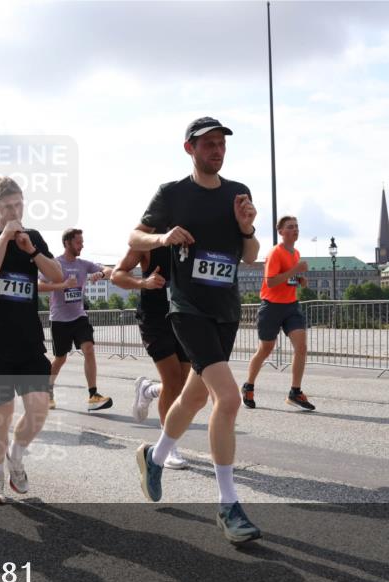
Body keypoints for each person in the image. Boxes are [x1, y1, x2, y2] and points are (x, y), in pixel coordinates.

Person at [129, 116, 262, 543]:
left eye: (221, 143)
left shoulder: (237, 194)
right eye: (208, 144)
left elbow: (251, 255)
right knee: (227, 398)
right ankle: (227, 504)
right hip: (186, 308)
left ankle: (155, 456)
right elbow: (134, 237)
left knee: (196, 395)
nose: (217, 150)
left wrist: (247, 228)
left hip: (226, 309)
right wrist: (163, 238)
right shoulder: (172, 194)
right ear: (190, 149)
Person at [0, 177, 63, 504]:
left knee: (38, 410)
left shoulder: (32, 237)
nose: (15, 211)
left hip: (28, 341)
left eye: (19, 204)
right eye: (8, 206)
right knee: (3, 414)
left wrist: (31, 250)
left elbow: (56, 275)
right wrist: (4, 238)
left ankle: (16, 455)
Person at [111, 241, 190, 470]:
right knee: (173, 380)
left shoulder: (191, 237)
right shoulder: (147, 240)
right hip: (155, 319)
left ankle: (147, 390)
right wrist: (143, 282)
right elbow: (117, 275)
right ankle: (168, 448)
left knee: (182, 387)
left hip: (184, 317)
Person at [242, 215, 315, 411]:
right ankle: (248, 385)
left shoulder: (296, 253)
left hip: (291, 306)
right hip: (271, 306)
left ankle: (295, 392)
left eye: (297, 226)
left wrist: (301, 281)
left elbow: (290, 279)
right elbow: (271, 282)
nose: (295, 230)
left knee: (301, 347)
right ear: (280, 232)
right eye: (290, 227)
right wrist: (296, 271)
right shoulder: (275, 253)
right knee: (265, 349)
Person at [40, 228, 113, 411]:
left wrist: (101, 274)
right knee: (60, 358)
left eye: (82, 241)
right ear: (67, 243)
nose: (82, 245)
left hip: (79, 316)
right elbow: (38, 285)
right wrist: (62, 285)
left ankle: (93, 395)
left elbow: (110, 271)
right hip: (59, 319)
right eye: (78, 242)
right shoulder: (55, 264)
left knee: (88, 348)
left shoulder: (83, 264)